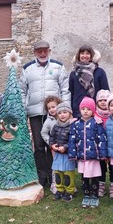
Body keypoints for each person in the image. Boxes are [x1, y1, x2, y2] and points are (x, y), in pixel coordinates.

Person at [20, 40, 71, 188]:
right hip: (35, 113)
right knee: (38, 145)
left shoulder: (58, 67)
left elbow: (65, 90)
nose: (42, 53)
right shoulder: (27, 69)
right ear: (34, 52)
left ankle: (53, 174)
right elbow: (22, 91)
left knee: (54, 144)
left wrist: (65, 110)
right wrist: (24, 110)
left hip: (54, 114)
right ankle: (41, 175)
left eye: (45, 50)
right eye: (39, 51)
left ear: (49, 51)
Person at [68, 97, 107, 208]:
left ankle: (94, 196)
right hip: (82, 156)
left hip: (93, 156)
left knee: (94, 177)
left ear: (93, 111)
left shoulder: (97, 123)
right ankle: (86, 195)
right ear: (80, 110)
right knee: (84, 177)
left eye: (88, 109)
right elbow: (72, 139)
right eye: (83, 109)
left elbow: (102, 139)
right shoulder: (75, 124)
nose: (85, 111)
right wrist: (73, 154)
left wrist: (103, 154)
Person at [69, 44, 110, 118]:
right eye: (82, 53)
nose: (85, 56)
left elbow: (106, 92)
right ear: (79, 55)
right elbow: (71, 93)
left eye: (87, 53)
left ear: (91, 56)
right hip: (78, 110)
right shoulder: (73, 73)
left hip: (96, 111)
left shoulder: (99, 72)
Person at [49, 102, 76, 201]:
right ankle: (59, 190)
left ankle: (69, 191)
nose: (62, 115)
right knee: (58, 173)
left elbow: (74, 140)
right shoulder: (56, 126)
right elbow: (52, 137)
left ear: (69, 113)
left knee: (68, 174)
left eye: (65, 112)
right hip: (57, 154)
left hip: (68, 155)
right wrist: (52, 145)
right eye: (60, 113)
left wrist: (65, 147)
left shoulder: (73, 125)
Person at [94, 89, 113, 199]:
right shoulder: (94, 115)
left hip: (112, 145)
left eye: (105, 100)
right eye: (100, 100)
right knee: (101, 166)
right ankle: (101, 184)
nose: (103, 102)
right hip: (99, 146)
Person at [41, 95, 63, 194]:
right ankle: (55, 184)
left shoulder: (64, 116)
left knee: (66, 165)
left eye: (53, 107)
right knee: (56, 165)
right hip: (55, 148)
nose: (51, 110)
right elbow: (43, 133)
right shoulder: (48, 121)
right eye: (49, 108)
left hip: (65, 147)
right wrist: (51, 143)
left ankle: (66, 183)